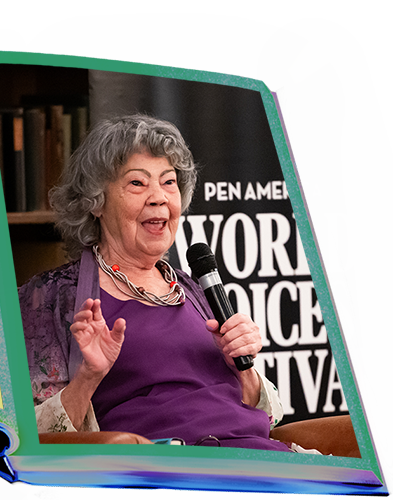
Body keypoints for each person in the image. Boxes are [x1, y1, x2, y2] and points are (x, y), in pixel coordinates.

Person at [19, 114, 292, 452]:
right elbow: (28, 437)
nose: (159, 197)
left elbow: (266, 415)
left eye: (169, 182)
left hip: (259, 456)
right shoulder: (50, 297)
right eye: (137, 183)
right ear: (96, 202)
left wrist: (242, 367)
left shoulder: (195, 291)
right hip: (168, 471)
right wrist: (90, 375)